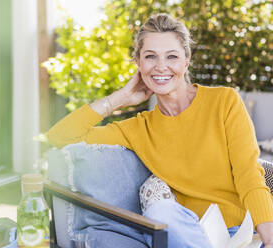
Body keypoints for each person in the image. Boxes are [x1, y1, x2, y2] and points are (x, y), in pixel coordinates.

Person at [47, 13, 273, 247]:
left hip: (239, 233)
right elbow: (59, 137)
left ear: (186, 60)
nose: (161, 67)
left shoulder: (225, 102)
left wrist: (269, 239)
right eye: (150, 57)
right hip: (188, 234)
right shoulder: (138, 128)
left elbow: (249, 175)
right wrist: (120, 98)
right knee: (160, 214)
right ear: (138, 63)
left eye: (172, 56)